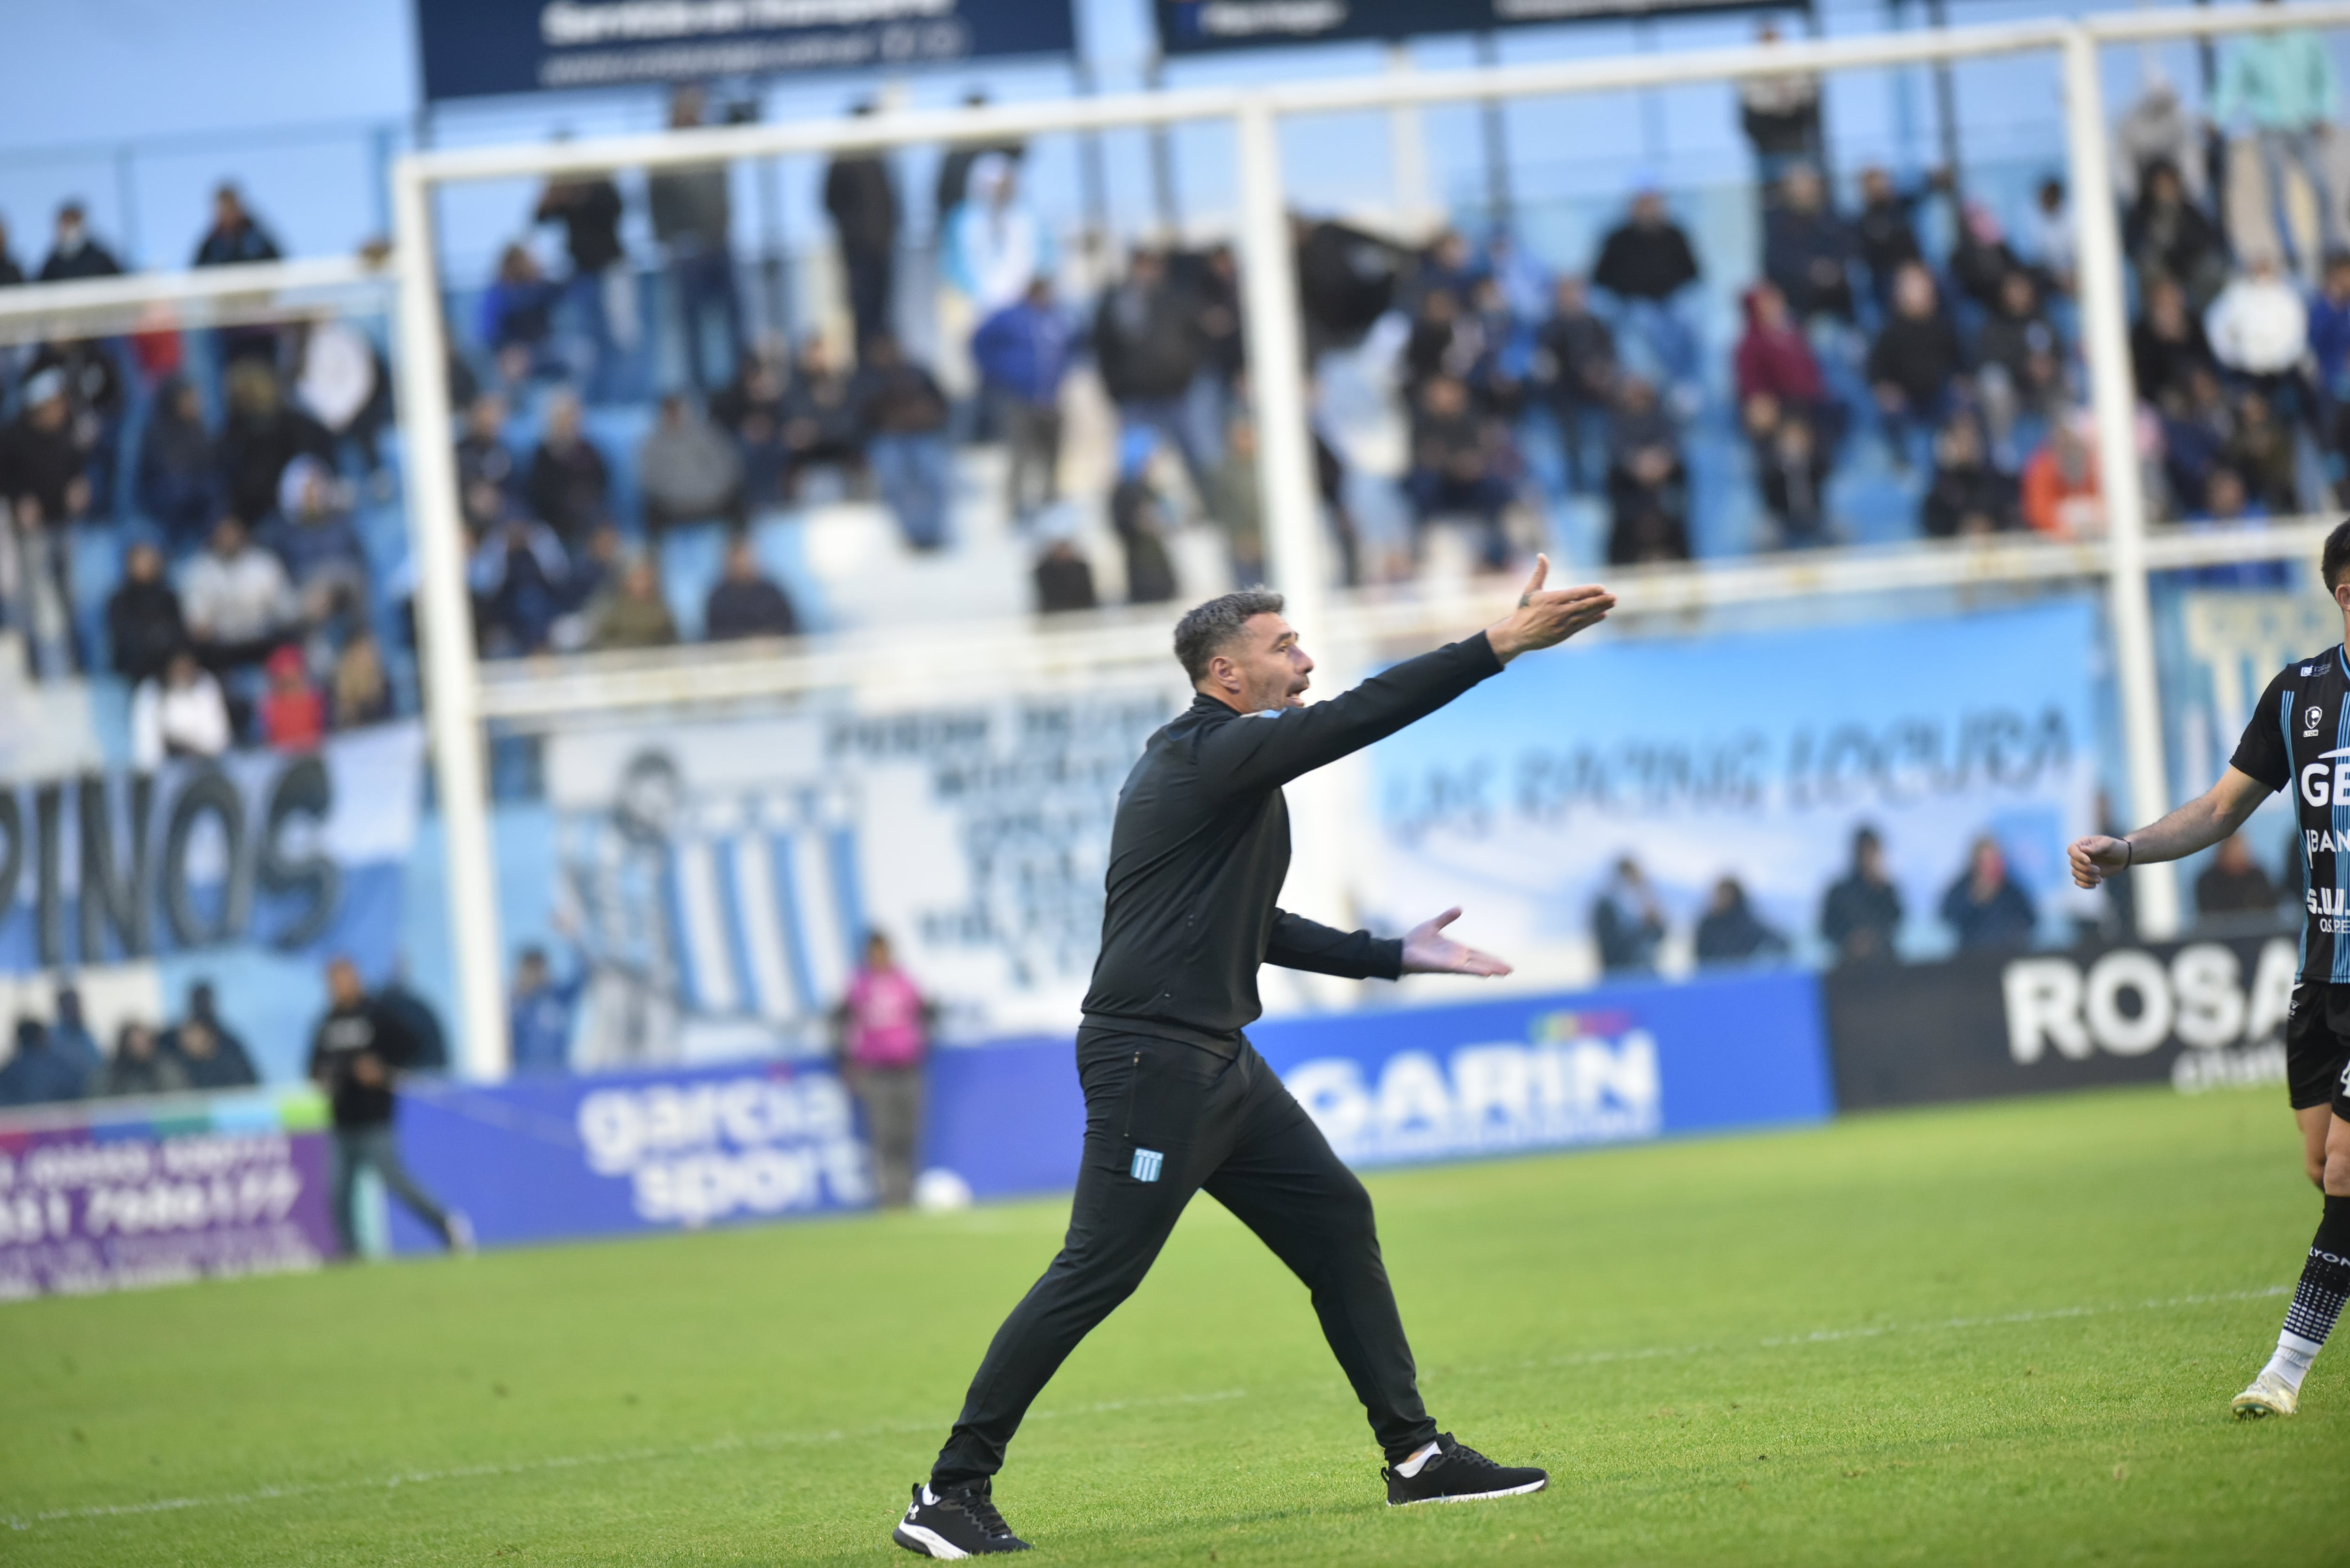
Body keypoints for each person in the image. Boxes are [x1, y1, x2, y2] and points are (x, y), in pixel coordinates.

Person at [890, 567, 1610, 1557]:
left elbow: (1250, 923)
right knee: (1098, 1267)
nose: (1305, 661)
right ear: (1225, 674)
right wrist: (1495, 644)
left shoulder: (1221, 771)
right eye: (1286, 648)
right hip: (1155, 1059)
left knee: (1335, 1217)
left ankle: (1416, 1458)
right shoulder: (1205, 756)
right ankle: (948, 1494)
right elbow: (1357, 719)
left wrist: (1389, 954)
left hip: (1214, 1059)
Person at [2068, 520, 2350, 1418]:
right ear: (2345, 593)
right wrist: (2129, 849)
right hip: (2322, 981)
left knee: (2348, 1171)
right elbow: (2223, 808)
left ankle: (2283, 1373)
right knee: (2321, 1165)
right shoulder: (2298, 695)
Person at [308, 956, 470, 1257]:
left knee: (397, 1183)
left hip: (374, 1119)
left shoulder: (377, 1015)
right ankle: (350, 1254)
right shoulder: (327, 1023)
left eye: (345, 978)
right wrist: (324, 1080)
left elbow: (413, 1046)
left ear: (356, 979)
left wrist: (384, 1069)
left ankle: (446, 1225)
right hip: (342, 1121)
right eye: (334, 981)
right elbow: (314, 1068)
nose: (340, 986)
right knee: (337, 1191)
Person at [2212, 3, 2341, 273]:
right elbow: (2232, 83)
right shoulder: (2249, 43)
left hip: (2306, 124)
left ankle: (2330, 252)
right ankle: (2292, 256)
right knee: (2278, 197)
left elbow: (2323, 73)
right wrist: (2215, 115)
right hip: (2270, 128)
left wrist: (2326, 111)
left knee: (2322, 187)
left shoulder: (2303, 35)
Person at [650, 86, 742, 392]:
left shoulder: (712, 140)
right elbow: (657, 204)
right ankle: (700, 389)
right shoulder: (662, 151)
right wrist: (670, 241)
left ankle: (740, 383)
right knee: (692, 327)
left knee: (734, 319)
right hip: (687, 249)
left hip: (719, 243)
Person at [832, 930, 932, 1210]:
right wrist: (847, 1062)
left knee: (909, 1134)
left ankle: (908, 1193)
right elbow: (841, 1022)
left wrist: (921, 1045)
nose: (879, 956)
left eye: (883, 950)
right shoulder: (858, 985)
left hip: (907, 1067)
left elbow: (926, 1012)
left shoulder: (905, 981)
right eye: (874, 951)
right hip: (875, 1072)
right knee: (883, 1135)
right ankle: (889, 1197)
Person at [971, 279, 1070, 523]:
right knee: (1020, 454)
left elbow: (1072, 348)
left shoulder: (1056, 318)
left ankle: (1050, 501)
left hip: (1051, 397)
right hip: (1020, 398)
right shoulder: (1010, 318)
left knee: (1052, 453)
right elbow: (978, 342)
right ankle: (1015, 506)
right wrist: (997, 373)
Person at [533, 162, 628, 400]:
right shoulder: (560, 190)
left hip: (611, 272)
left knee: (620, 338)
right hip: (581, 275)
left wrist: (578, 196)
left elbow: (616, 210)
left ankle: (620, 398)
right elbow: (539, 217)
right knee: (589, 343)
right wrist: (554, 194)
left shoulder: (598, 182)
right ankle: (597, 399)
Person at [1590, 187, 1701, 391]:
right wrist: (1623, 296)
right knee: (1645, 321)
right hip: (1633, 304)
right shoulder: (1618, 239)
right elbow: (1600, 279)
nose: (1649, 210)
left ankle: (1685, 384)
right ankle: (1668, 382)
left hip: (1670, 301)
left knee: (1688, 318)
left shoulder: (1675, 234)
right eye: (1643, 205)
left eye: (1653, 205)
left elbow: (1694, 274)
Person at [853, 334, 953, 552]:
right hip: (887, 438)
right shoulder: (867, 378)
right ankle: (912, 534)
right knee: (893, 477)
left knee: (934, 474)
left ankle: (934, 531)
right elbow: (862, 415)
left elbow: (942, 404)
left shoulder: (917, 371)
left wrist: (925, 414)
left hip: (923, 434)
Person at [823, 100, 901, 359]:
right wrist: (855, 233)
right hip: (858, 255)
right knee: (862, 315)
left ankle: (883, 365)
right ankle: (867, 370)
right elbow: (830, 202)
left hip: (882, 252)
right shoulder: (844, 159)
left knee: (884, 315)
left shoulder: (879, 158)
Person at [1867, 263, 1964, 470]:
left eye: (1924, 287)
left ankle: (1958, 469)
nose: (1921, 293)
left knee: (1963, 408)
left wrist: (1962, 381)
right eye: (1913, 288)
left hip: (1937, 396)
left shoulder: (1943, 326)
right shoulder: (1890, 331)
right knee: (1893, 415)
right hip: (1906, 400)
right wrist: (1885, 389)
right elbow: (1875, 370)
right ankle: (1904, 468)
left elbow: (1961, 363)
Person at [1532, 276, 1617, 493]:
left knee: (1603, 442)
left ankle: (1605, 485)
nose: (1571, 298)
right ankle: (1576, 488)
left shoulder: (1595, 323)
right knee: (1572, 444)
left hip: (1597, 396)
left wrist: (1600, 373)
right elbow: (1546, 363)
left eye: (1575, 293)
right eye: (1566, 294)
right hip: (1565, 395)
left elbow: (1609, 354)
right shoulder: (1549, 326)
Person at [181, 513, 296, 670]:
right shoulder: (200, 570)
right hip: (221, 649)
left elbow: (286, 610)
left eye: (233, 531)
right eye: (223, 532)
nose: (229, 537)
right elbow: (197, 622)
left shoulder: (264, 564)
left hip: (262, 644)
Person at [1762, 164, 1855, 325]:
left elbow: (1849, 248)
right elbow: (1775, 260)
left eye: (1807, 184)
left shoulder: (1831, 217)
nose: (1803, 190)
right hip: (1797, 304)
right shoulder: (1778, 223)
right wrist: (1810, 270)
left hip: (1838, 301)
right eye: (1797, 186)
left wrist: (1832, 270)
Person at [638, 394, 746, 532]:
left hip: (713, 500)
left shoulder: (709, 435)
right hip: (672, 506)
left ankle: (739, 548)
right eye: (670, 413)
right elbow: (649, 480)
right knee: (650, 511)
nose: (675, 417)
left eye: (678, 411)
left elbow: (728, 465)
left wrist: (713, 492)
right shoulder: (652, 444)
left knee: (739, 504)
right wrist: (677, 497)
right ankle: (654, 553)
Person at [136, 375, 219, 552]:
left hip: (196, 510)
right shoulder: (156, 433)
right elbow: (161, 474)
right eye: (188, 399)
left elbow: (209, 469)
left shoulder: (200, 431)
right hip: (163, 509)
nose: (195, 404)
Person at [1738, 21, 1824, 187]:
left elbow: (1811, 108)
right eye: (1766, 43)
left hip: (1800, 146)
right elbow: (1748, 120)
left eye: (1775, 42)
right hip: (1767, 151)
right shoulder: (1749, 78)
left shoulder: (1799, 70)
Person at [524, 389, 611, 547]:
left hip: (588, 513)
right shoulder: (543, 454)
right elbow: (539, 492)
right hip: (556, 519)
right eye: (562, 418)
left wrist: (585, 495)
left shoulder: (589, 451)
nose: (568, 423)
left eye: (571, 417)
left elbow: (602, 482)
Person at [129, 649, 233, 769]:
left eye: (188, 666)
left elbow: (218, 741)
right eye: (179, 667)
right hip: (165, 770)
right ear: (168, 669)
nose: (184, 672)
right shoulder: (150, 692)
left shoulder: (206, 684)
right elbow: (147, 753)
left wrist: (193, 750)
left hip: (206, 764)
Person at [106, 541, 188, 686]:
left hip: (169, 666)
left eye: (150, 560)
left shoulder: (168, 598)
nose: (146, 565)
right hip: (134, 671)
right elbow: (124, 641)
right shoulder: (120, 600)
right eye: (141, 560)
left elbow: (179, 633)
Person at [1921, 417, 2017, 538]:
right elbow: (1934, 532)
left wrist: (1989, 525)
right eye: (1959, 441)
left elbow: (2009, 518)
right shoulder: (1938, 494)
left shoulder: (1997, 484)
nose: (1966, 447)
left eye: (1970, 439)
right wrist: (1962, 527)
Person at [1821, 826, 1903, 964]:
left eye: (1872, 851)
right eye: (1864, 852)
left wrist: (1873, 939)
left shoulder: (1886, 891)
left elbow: (1897, 920)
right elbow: (1827, 928)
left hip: (1885, 965)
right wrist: (1851, 940)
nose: (1868, 857)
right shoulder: (1839, 892)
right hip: (1848, 966)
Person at [1940, 836, 2036, 951]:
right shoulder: (1963, 888)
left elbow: (2030, 918)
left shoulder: (2011, 890)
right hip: (1971, 954)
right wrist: (1975, 898)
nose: (1991, 865)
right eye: (1986, 861)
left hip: (2007, 952)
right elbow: (1948, 915)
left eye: (1995, 860)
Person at [2020, 413, 2103, 538]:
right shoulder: (2042, 468)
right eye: (2065, 443)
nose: (2070, 449)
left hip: (2094, 534)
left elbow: (2103, 502)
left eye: (2072, 443)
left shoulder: (2092, 463)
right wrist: (2060, 526)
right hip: (2052, 539)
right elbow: (2038, 511)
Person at [703, 533, 799, 640]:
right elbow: (714, 636)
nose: (742, 564)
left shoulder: (772, 593)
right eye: (737, 559)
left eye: (746, 558)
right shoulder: (718, 598)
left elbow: (789, 629)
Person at [509, 945, 585, 1074]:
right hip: (524, 1078)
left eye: (539, 969)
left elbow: (583, 974)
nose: (535, 975)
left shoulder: (558, 997)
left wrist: (573, 940)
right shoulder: (514, 1005)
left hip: (560, 1075)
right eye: (531, 969)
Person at [1591, 856, 1668, 975]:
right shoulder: (1607, 907)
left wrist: (1654, 921)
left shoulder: (1644, 902)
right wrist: (1643, 926)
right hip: (1618, 975)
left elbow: (1659, 936)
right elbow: (1612, 948)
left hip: (1647, 973)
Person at [588, 555, 679, 651]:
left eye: (647, 578)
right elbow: (598, 641)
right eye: (639, 578)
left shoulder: (661, 609)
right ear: (627, 581)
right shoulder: (614, 607)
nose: (644, 584)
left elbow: (673, 643)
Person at [1693, 877, 1788, 966]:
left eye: (1725, 895)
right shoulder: (1708, 925)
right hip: (1714, 979)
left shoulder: (1747, 925)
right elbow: (1702, 958)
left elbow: (1780, 943)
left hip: (1742, 978)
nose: (1720, 900)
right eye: (1718, 895)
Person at [0, 1020, 88, 1107]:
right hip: (58, 1117)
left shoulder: (11, 1070)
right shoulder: (58, 1066)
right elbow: (77, 1088)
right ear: (40, 1037)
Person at [2197, 833, 2281, 922]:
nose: (2237, 855)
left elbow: (2270, 909)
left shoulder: (2258, 877)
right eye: (2232, 851)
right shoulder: (2208, 882)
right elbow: (2210, 916)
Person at [167, 1011, 259, 1092]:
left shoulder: (230, 1065)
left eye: (192, 1036)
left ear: (207, 1036)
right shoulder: (180, 1065)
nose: (186, 1041)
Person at [259, 644, 324, 753]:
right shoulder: (269, 707)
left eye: (294, 678)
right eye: (284, 680)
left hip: (312, 755)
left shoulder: (316, 700)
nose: (290, 684)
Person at [38, 201, 122, 281]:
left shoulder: (100, 260)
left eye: (72, 224)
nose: (69, 230)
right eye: (66, 225)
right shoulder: (53, 264)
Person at [102, 1022, 189, 1098]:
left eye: (144, 1042)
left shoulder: (167, 1072)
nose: (140, 1048)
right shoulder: (110, 1077)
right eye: (134, 1044)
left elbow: (180, 1099)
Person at [331, 630, 392, 729]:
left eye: (367, 652)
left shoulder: (385, 687)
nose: (364, 658)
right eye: (359, 653)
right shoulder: (338, 694)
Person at [1032, 535, 1097, 614]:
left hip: (1081, 610)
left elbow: (1086, 594)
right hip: (1055, 612)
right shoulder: (1044, 571)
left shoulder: (1081, 568)